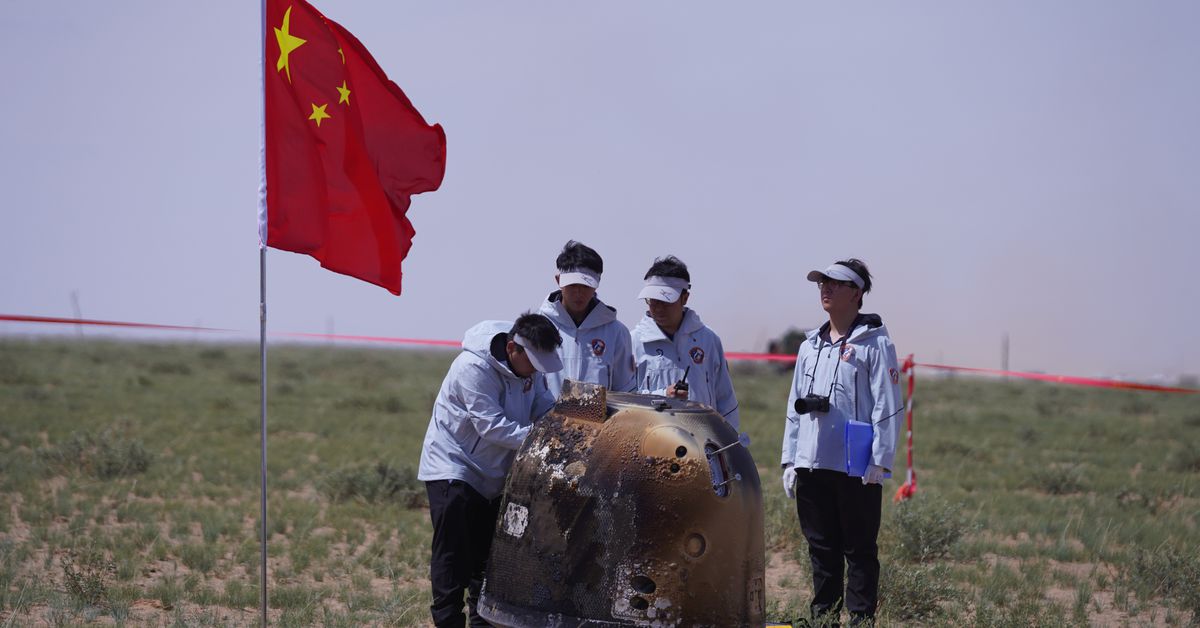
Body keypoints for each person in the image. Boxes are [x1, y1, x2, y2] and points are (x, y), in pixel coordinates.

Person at [417, 313, 563, 628]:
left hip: (492, 477)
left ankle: (482, 623)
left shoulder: (529, 369)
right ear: (513, 348)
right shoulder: (473, 368)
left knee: (487, 559)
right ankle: (448, 622)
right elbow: (491, 426)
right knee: (454, 558)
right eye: (534, 363)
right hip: (453, 468)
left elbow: (543, 405)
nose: (537, 373)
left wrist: (562, 425)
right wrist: (545, 439)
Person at [780, 259, 902, 627]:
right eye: (821, 283)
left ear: (857, 293)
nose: (825, 289)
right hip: (813, 463)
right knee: (821, 551)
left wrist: (879, 460)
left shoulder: (876, 343)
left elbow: (888, 404)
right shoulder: (810, 346)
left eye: (835, 283)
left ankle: (861, 620)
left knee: (859, 551)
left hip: (856, 467)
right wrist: (790, 460)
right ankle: (823, 619)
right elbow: (793, 406)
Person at [631, 255, 740, 430]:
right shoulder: (633, 342)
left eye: (666, 301)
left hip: (702, 443)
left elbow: (726, 400)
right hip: (650, 444)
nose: (658, 308)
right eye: (652, 300)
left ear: (685, 298)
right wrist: (663, 395)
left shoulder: (709, 340)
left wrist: (730, 447)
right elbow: (623, 400)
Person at [538, 240, 637, 397]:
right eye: (572, 285)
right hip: (546, 420)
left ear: (597, 283)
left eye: (585, 286)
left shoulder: (616, 332)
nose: (579, 293)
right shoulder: (538, 327)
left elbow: (625, 392)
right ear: (558, 281)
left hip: (601, 421)